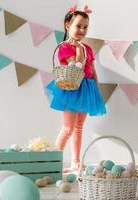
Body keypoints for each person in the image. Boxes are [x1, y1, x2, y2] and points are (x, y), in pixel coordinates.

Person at [46, 5, 106, 171]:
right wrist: (79, 50)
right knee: (67, 128)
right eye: (78, 26)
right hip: (72, 88)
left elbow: (92, 71)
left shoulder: (88, 48)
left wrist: (96, 89)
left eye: (85, 27)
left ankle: (76, 161)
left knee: (79, 128)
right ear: (68, 26)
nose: (82, 30)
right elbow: (77, 67)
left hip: (87, 88)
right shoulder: (65, 47)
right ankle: (53, 162)